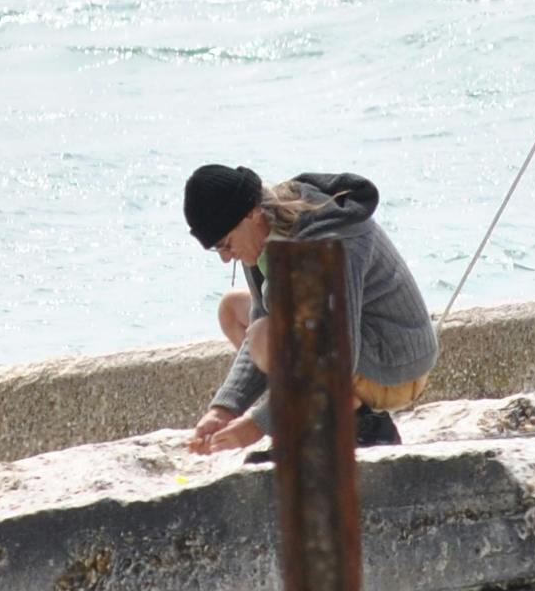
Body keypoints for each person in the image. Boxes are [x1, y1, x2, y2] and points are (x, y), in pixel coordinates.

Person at [181, 164, 437, 454]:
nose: (227, 259)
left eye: (226, 245)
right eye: (218, 250)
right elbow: (263, 318)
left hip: (396, 363)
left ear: (251, 214)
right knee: (232, 310)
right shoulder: (262, 238)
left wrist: (259, 424)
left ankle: (363, 423)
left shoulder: (325, 239)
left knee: (266, 336)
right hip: (347, 347)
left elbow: (339, 358)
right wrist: (224, 409)